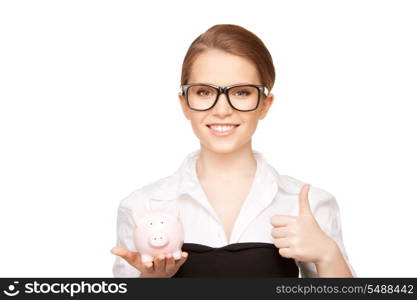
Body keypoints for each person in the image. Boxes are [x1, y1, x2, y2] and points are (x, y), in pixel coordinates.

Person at [111, 24, 356, 278]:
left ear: (264, 104)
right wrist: (152, 283)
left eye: (241, 92)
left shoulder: (310, 204)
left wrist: (328, 255)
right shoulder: (141, 206)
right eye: (204, 92)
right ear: (184, 103)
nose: (222, 110)